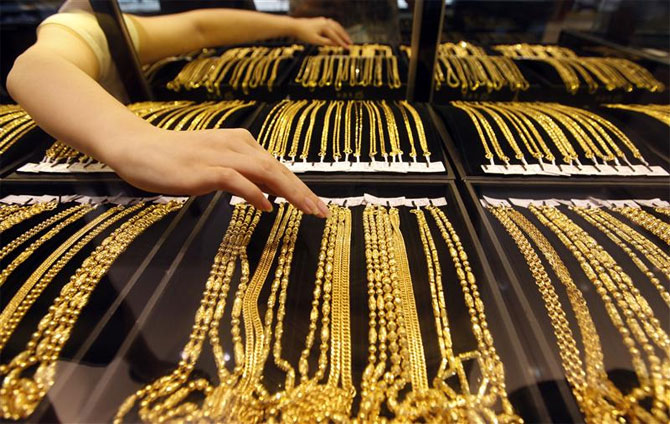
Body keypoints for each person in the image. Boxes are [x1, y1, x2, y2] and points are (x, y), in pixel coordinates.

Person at [7, 0, 352, 218]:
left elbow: (198, 28)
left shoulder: (113, 23)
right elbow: (34, 67)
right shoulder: (83, 22)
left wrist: (295, 27)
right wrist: (136, 141)